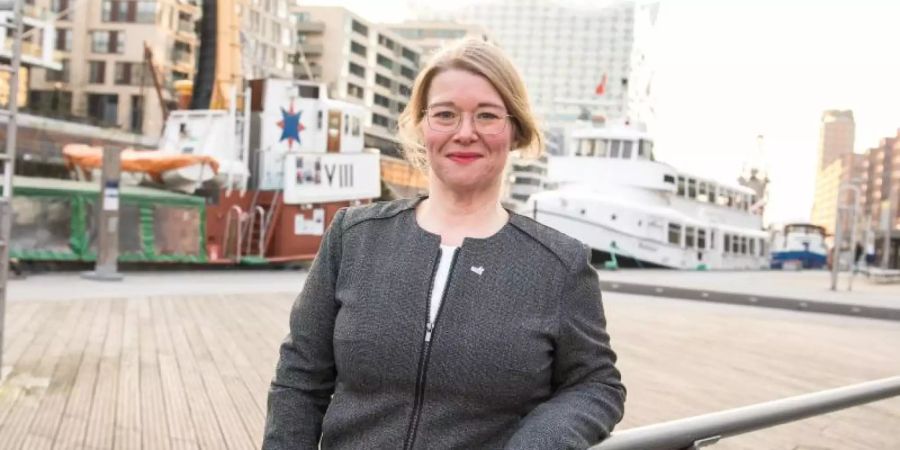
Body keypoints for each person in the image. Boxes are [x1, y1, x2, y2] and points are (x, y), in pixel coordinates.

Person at [262, 39, 625, 450]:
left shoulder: (558, 265)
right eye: (445, 115)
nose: (465, 133)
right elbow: (299, 378)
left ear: (515, 129)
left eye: (486, 116)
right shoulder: (353, 237)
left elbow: (596, 384)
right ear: (422, 125)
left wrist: (540, 442)